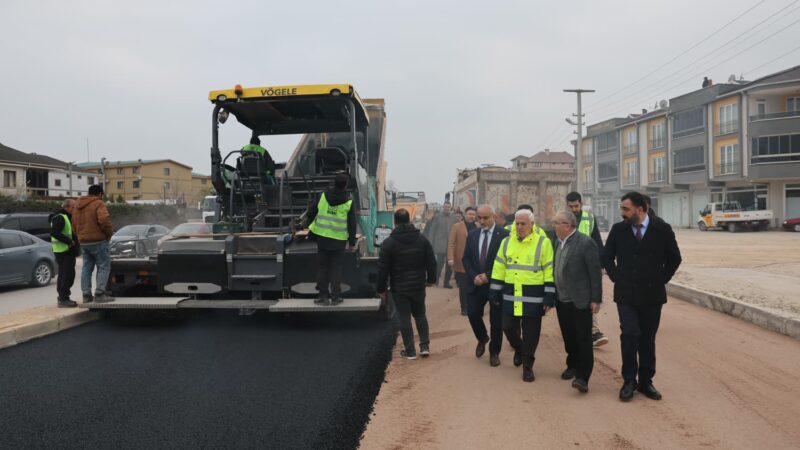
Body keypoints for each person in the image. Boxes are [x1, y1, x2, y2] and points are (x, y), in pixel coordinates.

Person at [602, 191, 682, 402]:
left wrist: (660, 279)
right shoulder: (619, 230)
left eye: (626, 209)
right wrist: (617, 277)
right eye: (621, 208)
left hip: (651, 295)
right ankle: (629, 380)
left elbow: (675, 258)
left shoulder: (661, 229)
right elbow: (606, 257)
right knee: (629, 335)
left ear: (641, 209)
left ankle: (646, 381)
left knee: (647, 339)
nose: (622, 213)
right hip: (626, 294)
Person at [490, 209, 555, 382]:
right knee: (508, 327)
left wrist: (549, 296)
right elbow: (499, 268)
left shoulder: (544, 243)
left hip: (533, 297)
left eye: (523, 224)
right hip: (510, 295)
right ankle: (518, 349)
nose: (519, 227)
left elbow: (549, 270)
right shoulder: (506, 242)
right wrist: (494, 291)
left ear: (532, 224)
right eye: (517, 223)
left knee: (531, 335)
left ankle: (528, 366)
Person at [376, 208, 437, 360]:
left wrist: (381, 289)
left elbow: (382, 269)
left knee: (404, 318)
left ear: (395, 222)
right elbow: (431, 261)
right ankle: (424, 346)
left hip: (399, 288)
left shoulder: (388, 243)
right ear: (409, 220)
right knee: (420, 315)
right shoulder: (422, 239)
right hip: (418, 285)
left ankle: (410, 351)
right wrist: (431, 280)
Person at [552, 211, 603, 393]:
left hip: (580, 298)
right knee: (568, 335)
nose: (553, 226)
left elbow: (595, 273)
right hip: (561, 298)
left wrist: (596, 299)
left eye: (556, 223)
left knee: (583, 337)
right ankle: (572, 364)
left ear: (567, 225)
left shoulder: (585, 243)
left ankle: (583, 377)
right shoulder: (558, 242)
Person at [462, 205, 509, 367]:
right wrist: (474, 275)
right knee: (473, 314)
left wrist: (487, 276)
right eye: (479, 218)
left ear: (493, 217)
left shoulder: (504, 235)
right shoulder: (473, 235)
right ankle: (482, 337)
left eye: (485, 218)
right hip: (475, 284)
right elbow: (466, 259)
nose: (481, 221)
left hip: (495, 284)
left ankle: (494, 352)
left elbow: (505, 261)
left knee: (496, 320)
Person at [566, 192, 609, 348]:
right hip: (568, 267)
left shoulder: (590, 218)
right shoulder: (562, 220)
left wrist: (602, 264)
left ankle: (594, 331)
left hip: (586, 266)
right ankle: (577, 330)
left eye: (576, 206)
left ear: (581, 204)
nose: (573, 209)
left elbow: (597, 240)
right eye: (570, 207)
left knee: (589, 297)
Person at [308, 173, 357, 305]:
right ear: (346, 185)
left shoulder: (322, 196)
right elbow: (352, 223)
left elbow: (311, 212)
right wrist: (352, 242)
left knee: (322, 267)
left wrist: (309, 227)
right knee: (336, 268)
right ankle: (335, 297)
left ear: (333, 183)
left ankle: (323, 297)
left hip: (322, 237)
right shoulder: (349, 201)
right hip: (339, 240)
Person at [72, 184, 114, 303]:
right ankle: (100, 294)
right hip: (99, 241)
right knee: (104, 266)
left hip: (84, 242)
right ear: (100, 194)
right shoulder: (99, 203)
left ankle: (86, 295)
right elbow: (104, 220)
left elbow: (73, 224)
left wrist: (80, 236)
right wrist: (108, 234)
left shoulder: (77, 205)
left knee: (86, 268)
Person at [50, 199, 80, 308]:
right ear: (67, 207)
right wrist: (69, 241)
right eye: (73, 208)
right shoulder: (61, 217)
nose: (75, 210)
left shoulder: (64, 216)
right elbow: (54, 232)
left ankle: (63, 297)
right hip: (64, 251)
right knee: (67, 275)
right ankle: (63, 299)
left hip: (64, 251)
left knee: (64, 274)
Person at [448, 206, 477, 315]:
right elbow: (451, 243)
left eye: (473, 214)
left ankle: (473, 307)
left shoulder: (478, 226)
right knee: (464, 286)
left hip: (475, 261)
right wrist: (450, 258)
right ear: (465, 214)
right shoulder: (457, 226)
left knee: (474, 286)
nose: (471, 216)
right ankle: (464, 308)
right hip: (461, 261)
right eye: (469, 214)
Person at [423, 202, 457, 288]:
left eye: (448, 207)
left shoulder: (454, 218)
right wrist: (431, 243)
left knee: (450, 264)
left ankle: (446, 282)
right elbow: (432, 230)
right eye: (445, 207)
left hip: (451, 245)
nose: (447, 208)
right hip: (440, 244)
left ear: (451, 208)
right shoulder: (437, 217)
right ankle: (436, 279)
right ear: (443, 207)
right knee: (439, 264)